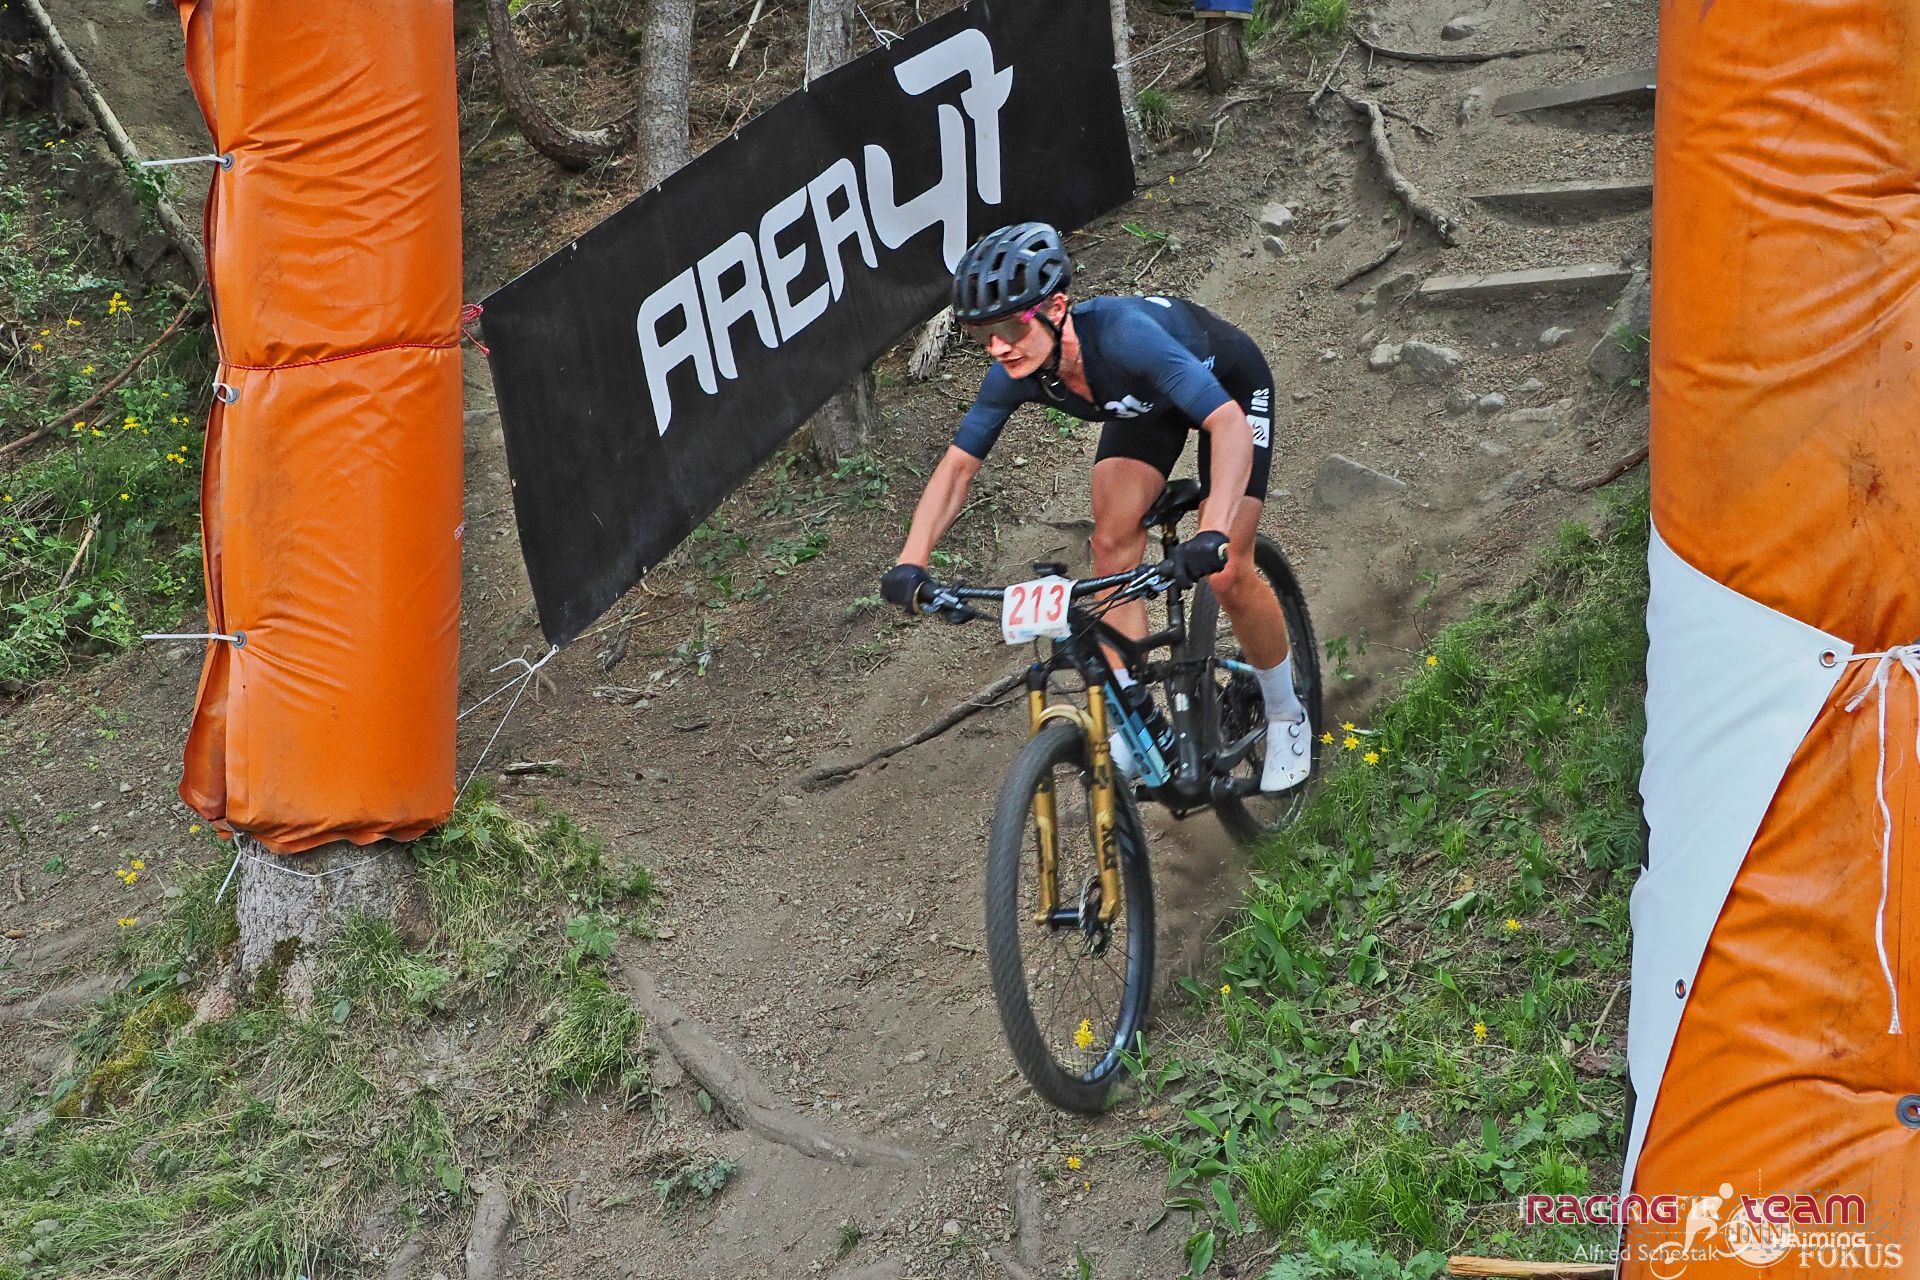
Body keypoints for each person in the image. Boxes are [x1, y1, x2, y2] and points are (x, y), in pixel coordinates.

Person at [878, 221, 1310, 791]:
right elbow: (958, 468)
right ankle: (1137, 722)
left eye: (1009, 327)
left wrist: (1211, 533)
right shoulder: (1014, 372)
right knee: (1111, 545)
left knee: (1227, 570)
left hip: (1228, 392)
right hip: (1146, 407)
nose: (998, 346)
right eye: (982, 334)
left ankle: (1286, 713)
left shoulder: (1125, 338)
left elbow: (1227, 425)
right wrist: (912, 561)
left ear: (1057, 308)